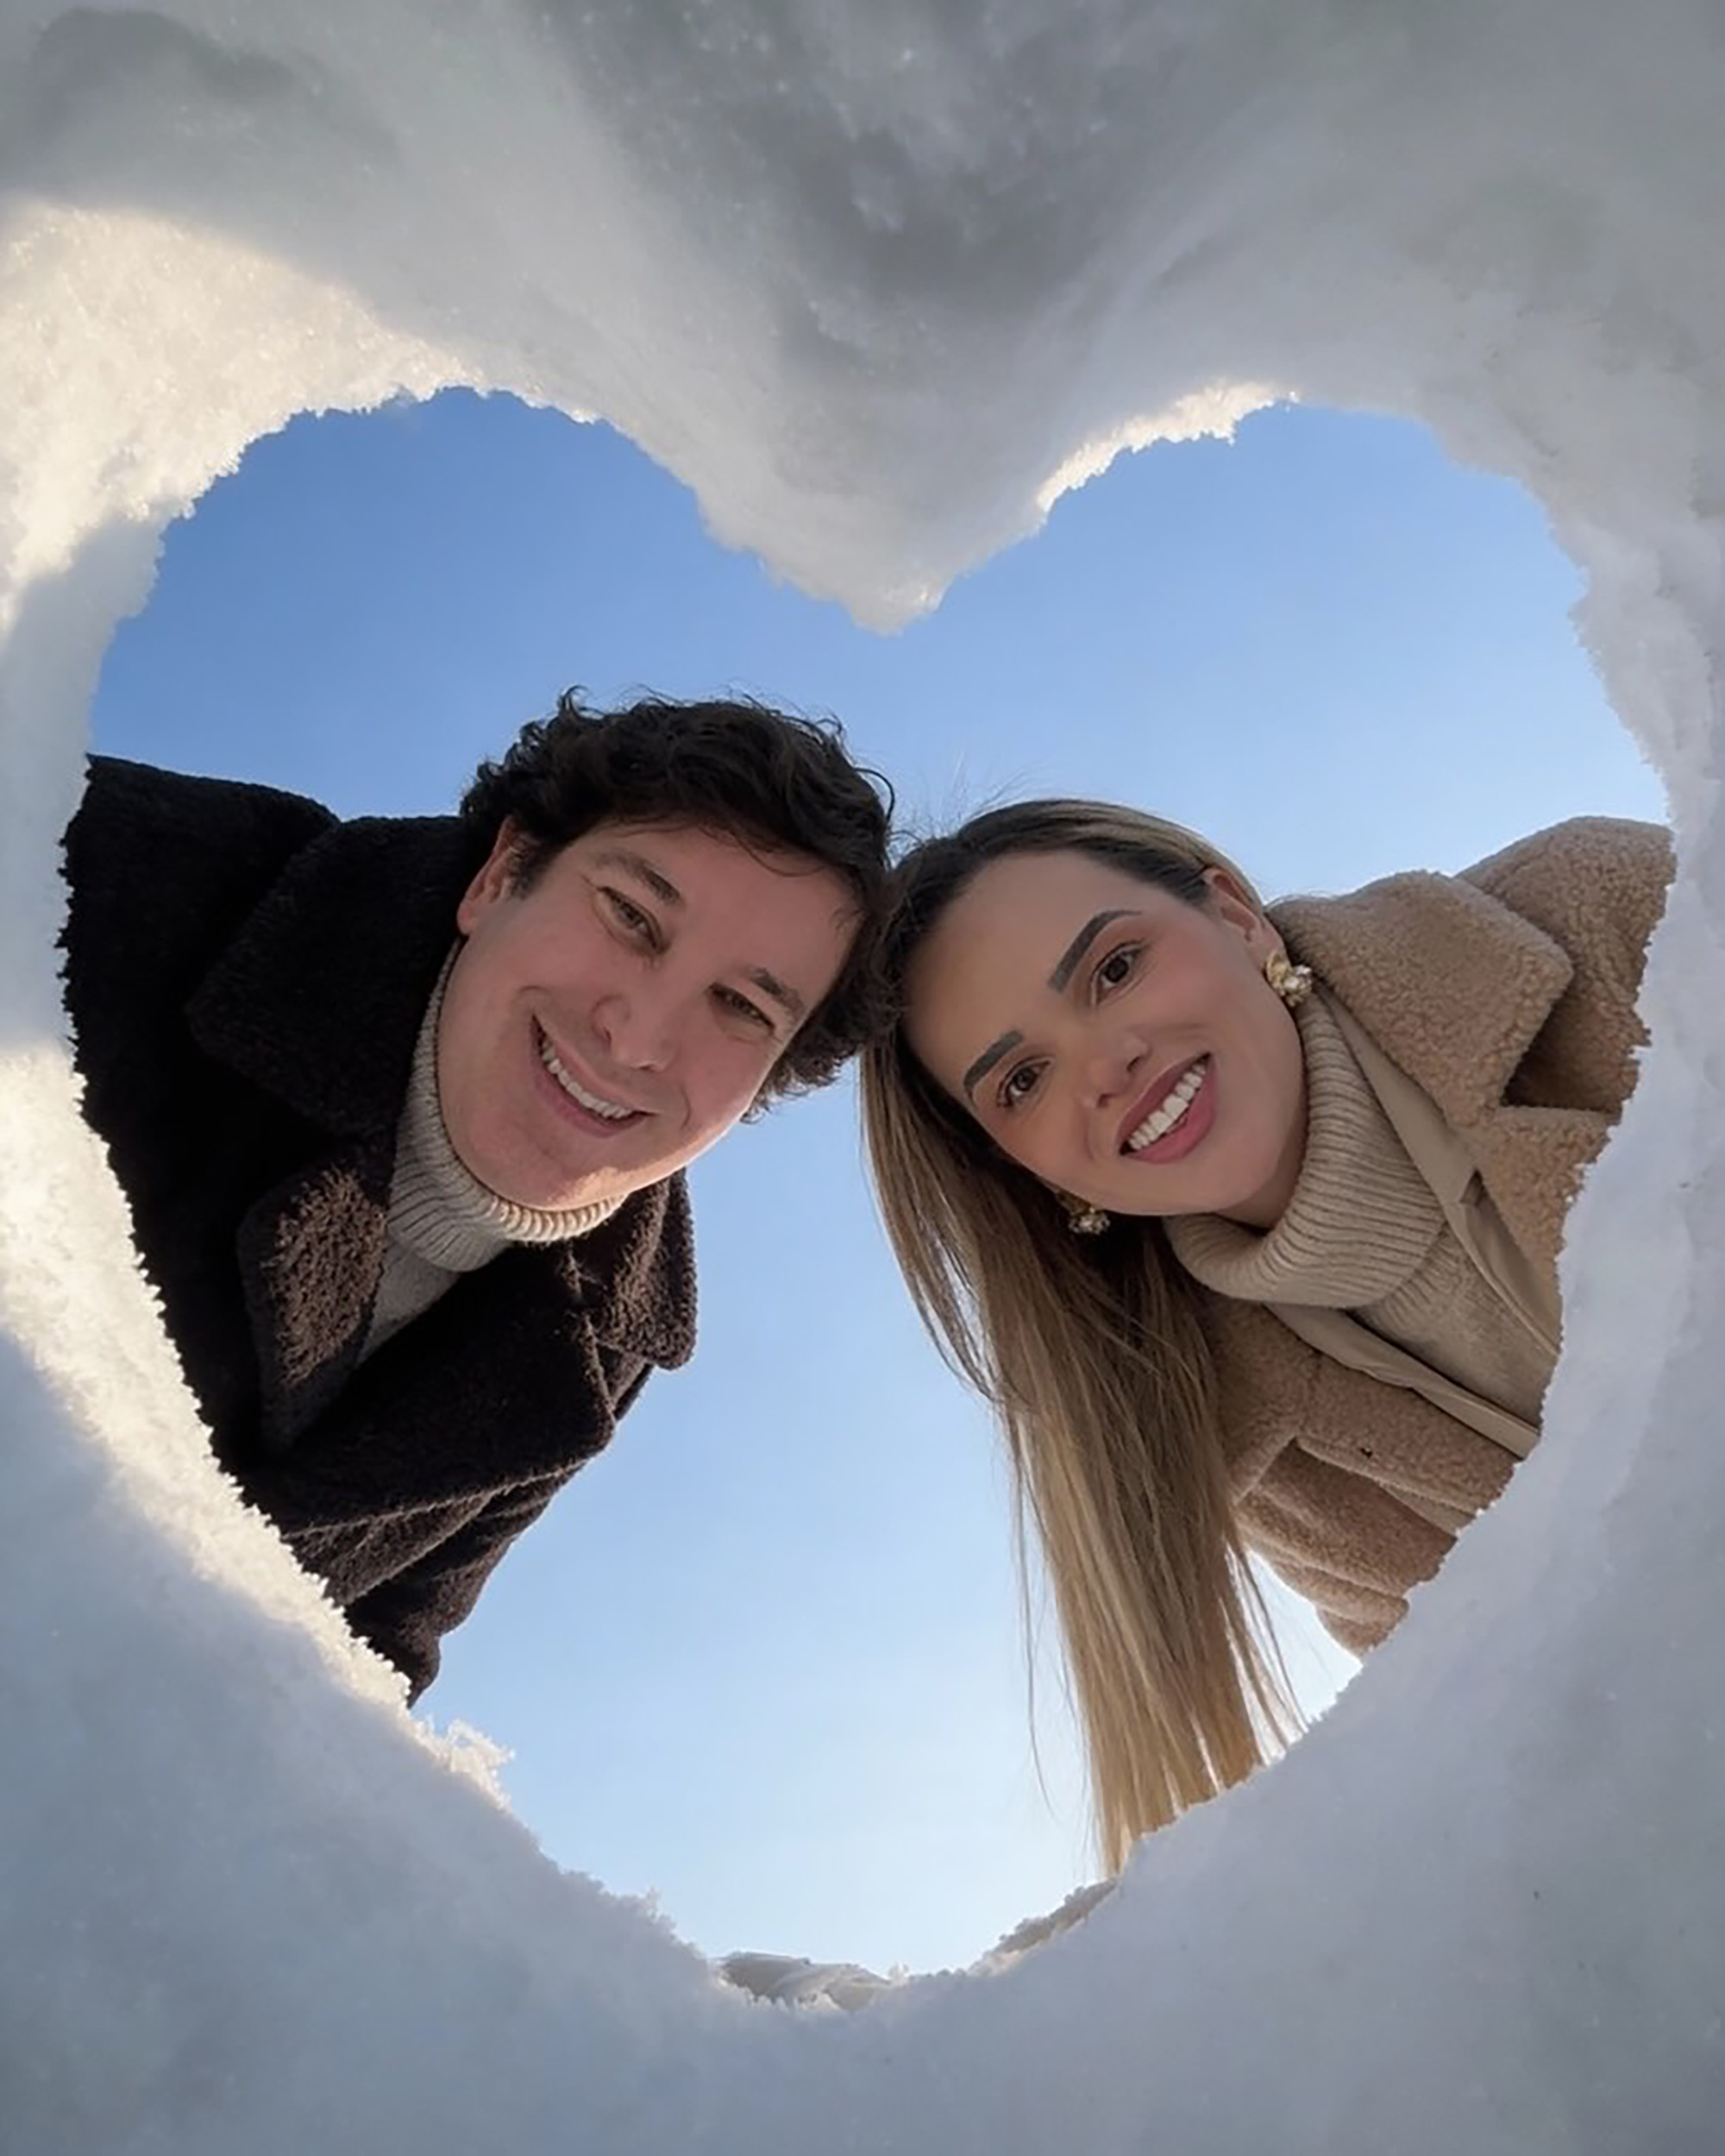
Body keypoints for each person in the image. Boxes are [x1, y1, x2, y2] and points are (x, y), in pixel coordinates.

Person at [860, 799, 1671, 1870]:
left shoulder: (1598, 917)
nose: (1106, 1064)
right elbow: (1550, 1728)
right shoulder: (1257, 1460)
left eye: (1111, 970)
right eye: (1021, 1080)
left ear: (1235, 916)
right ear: (1026, 1173)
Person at [60, 689, 892, 1700]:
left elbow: (357, 1662)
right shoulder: (106, 865)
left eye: (741, 1005)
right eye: (631, 916)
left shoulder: (601, 1343)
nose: (636, 1039)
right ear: (500, 876)